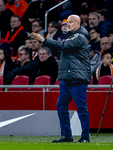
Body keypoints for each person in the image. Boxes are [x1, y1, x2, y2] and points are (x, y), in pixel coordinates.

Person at [31, 14, 91, 142]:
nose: (68, 24)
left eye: (70, 22)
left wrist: (43, 40)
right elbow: (63, 45)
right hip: (67, 79)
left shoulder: (80, 37)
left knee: (81, 107)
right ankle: (66, 136)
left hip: (77, 78)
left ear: (77, 24)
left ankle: (85, 137)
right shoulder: (71, 37)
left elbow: (62, 45)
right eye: (67, 22)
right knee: (61, 106)